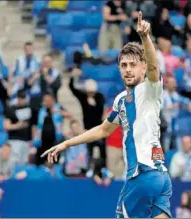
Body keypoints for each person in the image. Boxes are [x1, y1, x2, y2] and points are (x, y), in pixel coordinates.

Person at [42, 12, 172, 218]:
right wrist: (67, 143)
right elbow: (103, 130)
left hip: (142, 173)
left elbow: (154, 67)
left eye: (133, 65)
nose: (128, 70)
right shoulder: (121, 100)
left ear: (143, 68)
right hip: (160, 178)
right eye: (123, 65)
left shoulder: (149, 89)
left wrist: (145, 37)